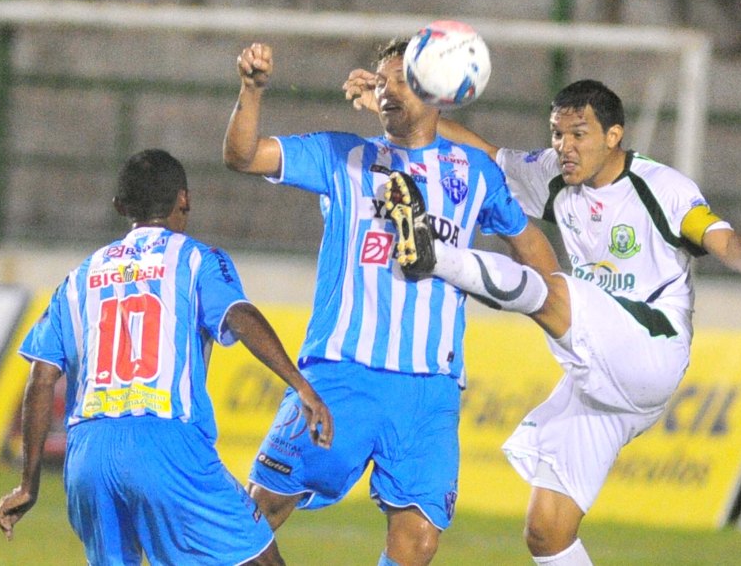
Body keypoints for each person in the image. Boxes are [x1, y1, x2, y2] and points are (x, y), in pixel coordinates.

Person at [345, 76, 741, 564]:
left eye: (578, 134)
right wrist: (396, 108)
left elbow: (713, 233)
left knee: (553, 291)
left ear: (613, 136)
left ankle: (433, 257)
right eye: (557, 133)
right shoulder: (554, 175)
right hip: (598, 376)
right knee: (547, 531)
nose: (564, 146)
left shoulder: (661, 187)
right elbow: (482, 152)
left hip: (649, 347)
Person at [222, 39, 555, 566]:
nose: (387, 90)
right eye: (381, 81)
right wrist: (251, 89)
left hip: (430, 389)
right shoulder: (342, 156)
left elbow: (528, 241)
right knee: (256, 511)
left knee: (417, 542)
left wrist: (561, 304)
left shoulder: (473, 174)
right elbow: (242, 155)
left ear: (436, 91)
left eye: (401, 79)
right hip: (341, 374)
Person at [0, 149, 333, 566]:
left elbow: (41, 378)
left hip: (88, 456)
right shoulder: (196, 260)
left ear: (121, 206)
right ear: (185, 199)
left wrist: (28, 484)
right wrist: (301, 386)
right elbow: (239, 317)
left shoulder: (78, 277)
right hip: (167, 441)